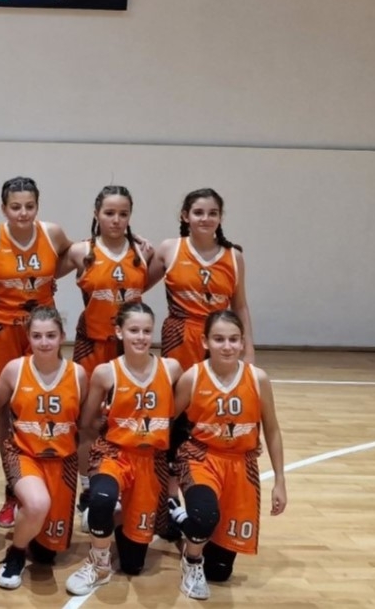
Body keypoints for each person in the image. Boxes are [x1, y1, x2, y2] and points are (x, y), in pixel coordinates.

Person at [147, 187, 254, 537]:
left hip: (218, 342)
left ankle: (203, 489)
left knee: (208, 416)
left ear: (220, 217)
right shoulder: (169, 249)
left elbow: (240, 306)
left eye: (212, 213)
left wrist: (248, 352)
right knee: (173, 418)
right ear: (185, 216)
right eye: (198, 212)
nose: (205, 218)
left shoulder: (234, 256)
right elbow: (135, 284)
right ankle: (166, 499)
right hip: (180, 336)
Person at [0, 177, 72, 528]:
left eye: (29, 206)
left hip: (41, 330)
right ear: (3, 208)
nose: (23, 213)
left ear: (37, 206)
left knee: (41, 402)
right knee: (4, 409)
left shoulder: (53, 233)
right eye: (16, 207)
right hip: (2, 329)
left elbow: (75, 255)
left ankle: (44, 478)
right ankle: (14, 489)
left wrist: (48, 279)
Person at [65, 302, 182, 595]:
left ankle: (119, 515)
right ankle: (99, 563)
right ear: (119, 332)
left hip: (150, 461)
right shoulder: (106, 373)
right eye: (133, 330)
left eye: (146, 331)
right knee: (101, 500)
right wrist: (114, 425)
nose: (141, 337)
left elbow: (179, 415)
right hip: (114, 455)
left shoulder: (171, 369)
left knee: (133, 564)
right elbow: (87, 422)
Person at [171, 310, 286, 600]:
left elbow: (272, 429)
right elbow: (167, 421)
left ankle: (182, 521)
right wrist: (167, 472)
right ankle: (191, 562)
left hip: (241, 466)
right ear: (205, 342)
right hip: (201, 458)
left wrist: (280, 481)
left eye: (234, 339)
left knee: (220, 571)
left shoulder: (258, 379)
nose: (227, 346)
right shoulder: (193, 377)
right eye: (219, 339)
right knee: (204, 516)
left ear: (243, 342)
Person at [56, 185, 151, 520]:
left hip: (129, 350)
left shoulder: (143, 252)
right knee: (88, 421)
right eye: (109, 213)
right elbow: (42, 274)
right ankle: (86, 489)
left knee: (124, 419)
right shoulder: (81, 252)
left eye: (123, 214)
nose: (116, 219)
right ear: (96, 214)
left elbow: (146, 285)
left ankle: (119, 482)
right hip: (92, 345)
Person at [0, 307, 87, 590]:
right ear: (28, 337)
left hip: (63, 461)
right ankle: (15, 554)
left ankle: (26, 520)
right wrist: (5, 443)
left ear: (62, 336)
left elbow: (85, 425)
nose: (44, 342)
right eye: (37, 336)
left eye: (50, 335)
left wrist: (88, 478)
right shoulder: (15, 369)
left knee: (47, 556)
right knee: (37, 504)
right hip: (24, 453)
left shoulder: (78, 374)